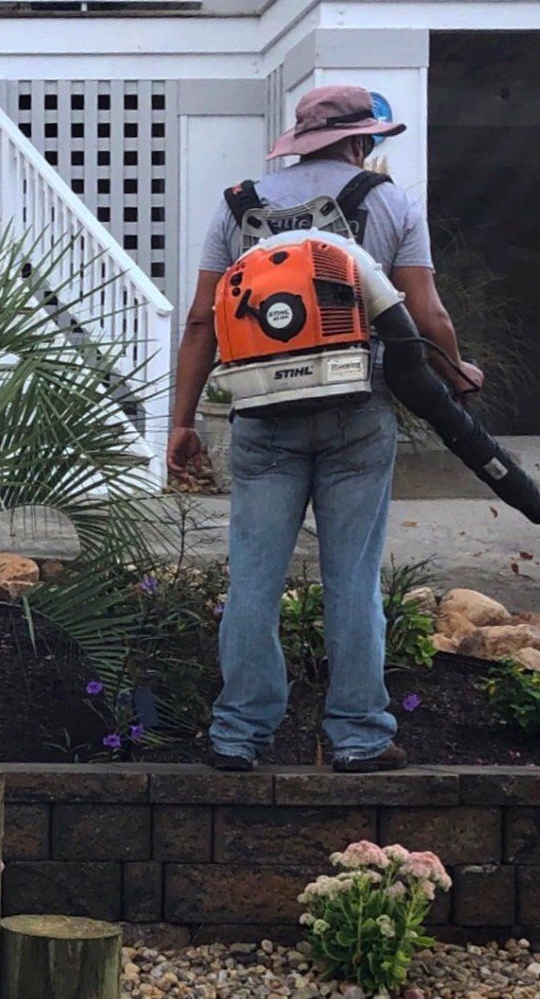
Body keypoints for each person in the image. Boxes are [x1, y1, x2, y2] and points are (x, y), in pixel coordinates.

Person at [169, 83, 481, 773]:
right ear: (361, 141)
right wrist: (458, 372)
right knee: (352, 579)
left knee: (253, 577)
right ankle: (360, 736)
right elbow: (425, 312)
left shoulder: (238, 205)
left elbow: (200, 321)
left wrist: (182, 421)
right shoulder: (390, 201)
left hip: (260, 415)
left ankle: (238, 733)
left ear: (300, 140)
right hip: (356, 410)